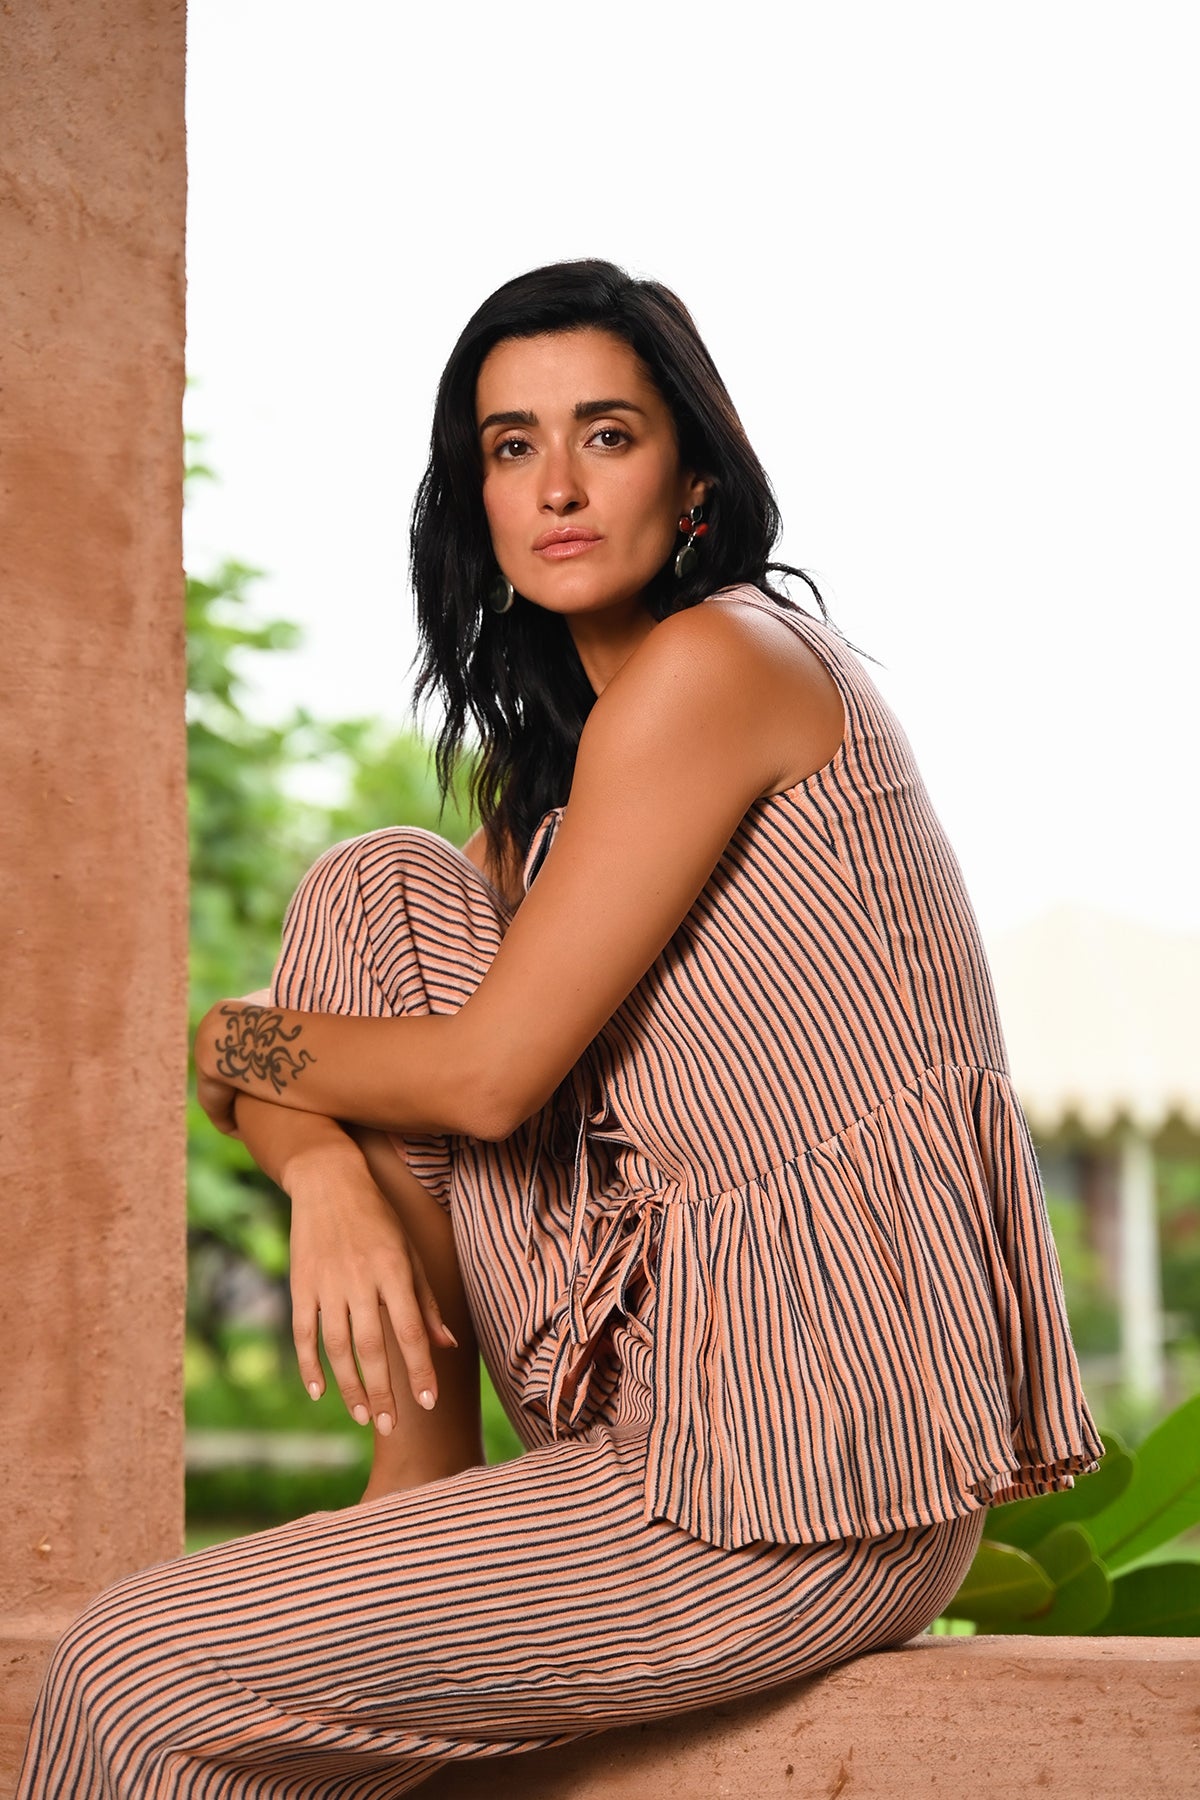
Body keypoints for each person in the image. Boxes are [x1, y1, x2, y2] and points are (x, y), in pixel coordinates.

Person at [17, 259, 1101, 1799]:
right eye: (511, 446)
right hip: (652, 1392)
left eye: (607, 434)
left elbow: (477, 1077)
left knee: (131, 1669)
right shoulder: (555, 807)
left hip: (804, 1480)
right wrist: (316, 1169)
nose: (559, 486)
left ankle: (411, 1508)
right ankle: (419, 1475)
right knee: (381, 886)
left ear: (696, 480)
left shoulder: (726, 662)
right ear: (477, 502)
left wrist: (228, 1049)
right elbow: (339, 1035)